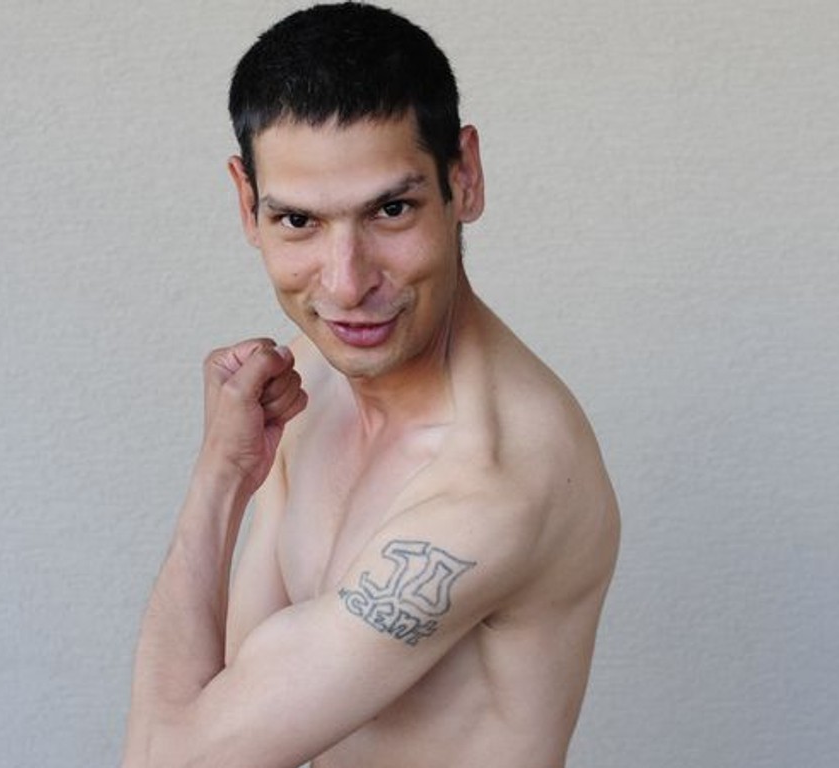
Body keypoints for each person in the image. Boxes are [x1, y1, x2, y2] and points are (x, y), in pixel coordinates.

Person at [121, 3, 620, 767]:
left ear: (464, 178)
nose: (348, 285)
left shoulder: (494, 487)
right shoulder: (310, 381)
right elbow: (218, 699)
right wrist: (227, 466)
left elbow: (169, 759)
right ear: (247, 204)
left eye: (391, 210)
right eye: (299, 222)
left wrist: (217, 480)